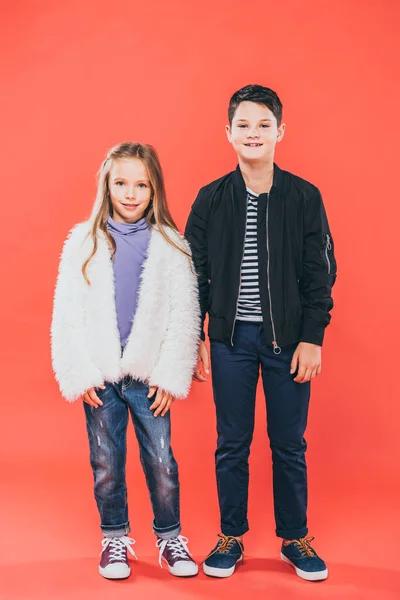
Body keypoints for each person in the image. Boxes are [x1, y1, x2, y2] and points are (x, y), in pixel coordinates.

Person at [185, 85, 337, 582]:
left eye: (264, 125)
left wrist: (312, 337)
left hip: (288, 341)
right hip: (230, 341)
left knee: (289, 443)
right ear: (227, 133)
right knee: (232, 441)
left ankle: (295, 538)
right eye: (244, 125)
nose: (254, 133)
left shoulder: (303, 196)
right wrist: (196, 339)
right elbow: (193, 275)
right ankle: (231, 535)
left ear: (281, 132)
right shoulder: (210, 199)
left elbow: (321, 273)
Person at [51, 142, 200, 580]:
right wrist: (79, 372)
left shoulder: (171, 243)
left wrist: (171, 376)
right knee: (105, 463)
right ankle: (114, 538)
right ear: (107, 185)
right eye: (121, 183)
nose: (131, 193)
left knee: (160, 460)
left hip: (147, 375)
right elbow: (67, 311)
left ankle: (169, 536)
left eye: (141, 185)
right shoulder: (84, 241)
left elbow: (184, 311)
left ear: (154, 190)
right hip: (101, 373)